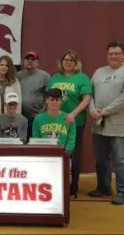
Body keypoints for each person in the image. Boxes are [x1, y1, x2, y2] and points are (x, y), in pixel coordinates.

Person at [88, 41, 124, 205]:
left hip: (119, 126)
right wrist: (92, 110)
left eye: (117, 53)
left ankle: (123, 193)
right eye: (110, 53)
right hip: (99, 125)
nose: (113, 56)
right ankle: (103, 188)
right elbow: (89, 94)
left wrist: (104, 111)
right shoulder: (99, 72)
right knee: (101, 159)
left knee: (121, 160)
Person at [47, 49, 92, 198]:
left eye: (71, 60)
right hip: (56, 121)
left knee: (73, 154)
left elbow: (86, 99)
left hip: (75, 121)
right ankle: (55, 185)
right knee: (55, 153)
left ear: (76, 63)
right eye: (65, 60)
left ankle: (72, 188)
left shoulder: (82, 78)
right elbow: (50, 98)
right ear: (61, 62)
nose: (68, 62)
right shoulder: (55, 78)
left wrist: (73, 113)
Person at [17, 51, 51, 140]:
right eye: (27, 59)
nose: (30, 61)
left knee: (35, 144)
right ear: (24, 61)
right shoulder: (18, 76)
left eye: (33, 59)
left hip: (37, 117)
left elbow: (50, 97)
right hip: (21, 118)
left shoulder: (45, 76)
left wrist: (43, 114)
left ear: (37, 61)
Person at [32, 88, 76, 156]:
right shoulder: (38, 119)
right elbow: (35, 139)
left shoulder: (68, 118)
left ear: (61, 101)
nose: (54, 102)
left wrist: (64, 154)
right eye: (52, 99)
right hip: (43, 155)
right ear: (47, 100)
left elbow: (71, 141)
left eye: (57, 100)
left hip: (62, 155)